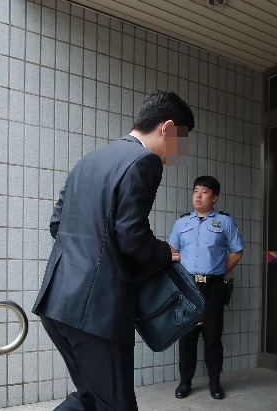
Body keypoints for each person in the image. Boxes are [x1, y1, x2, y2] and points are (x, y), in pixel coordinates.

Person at [32, 90, 195, 410]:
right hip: (96, 312)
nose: (176, 153)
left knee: (91, 398)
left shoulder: (88, 160)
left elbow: (57, 225)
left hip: (56, 302)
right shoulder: (145, 161)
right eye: (180, 141)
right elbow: (131, 236)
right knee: (116, 404)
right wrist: (164, 253)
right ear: (167, 128)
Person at [169, 175, 244, 400]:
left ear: (215, 197)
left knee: (212, 337)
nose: (198, 196)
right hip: (187, 288)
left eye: (204, 192)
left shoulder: (225, 222)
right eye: (195, 191)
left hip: (213, 288)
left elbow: (237, 251)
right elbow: (172, 251)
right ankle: (185, 382)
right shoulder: (182, 223)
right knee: (187, 336)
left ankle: (214, 382)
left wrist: (219, 271)